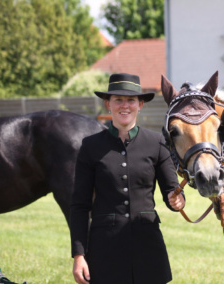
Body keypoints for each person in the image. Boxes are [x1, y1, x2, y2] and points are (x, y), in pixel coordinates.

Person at [70, 73, 185, 284]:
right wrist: (79, 255)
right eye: (118, 100)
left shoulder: (157, 142)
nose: (125, 106)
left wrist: (177, 200)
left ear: (140, 104)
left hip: (148, 247)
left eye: (131, 100)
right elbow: (79, 205)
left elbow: (172, 190)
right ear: (108, 104)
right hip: (104, 250)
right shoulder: (90, 146)